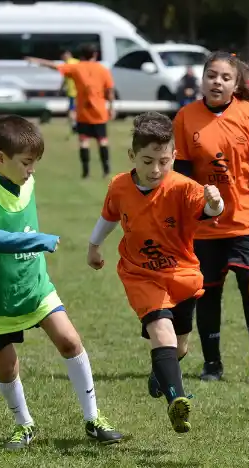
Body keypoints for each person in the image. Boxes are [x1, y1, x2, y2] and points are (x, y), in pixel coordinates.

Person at [0, 114, 123, 448]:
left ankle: (93, 418)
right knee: (7, 368)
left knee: (70, 341)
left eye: (35, 162)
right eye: (26, 163)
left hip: (34, 285)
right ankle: (24, 425)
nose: (32, 170)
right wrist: (34, 241)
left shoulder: (27, 180)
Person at [87, 112, 224, 433]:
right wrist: (94, 246)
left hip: (182, 275)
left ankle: (162, 374)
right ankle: (177, 400)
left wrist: (215, 201)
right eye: (147, 161)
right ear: (132, 156)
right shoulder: (120, 186)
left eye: (164, 161)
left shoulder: (184, 187)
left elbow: (210, 210)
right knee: (161, 330)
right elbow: (109, 216)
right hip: (140, 275)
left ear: (174, 156)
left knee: (180, 347)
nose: (156, 170)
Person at [172, 51, 249, 384]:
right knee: (207, 293)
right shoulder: (186, 117)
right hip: (205, 225)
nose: (217, 82)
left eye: (225, 77)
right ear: (202, 78)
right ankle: (212, 364)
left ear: (236, 84)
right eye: (211, 75)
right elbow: (181, 174)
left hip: (246, 218)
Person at [27, 45, 115, 179]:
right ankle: (106, 170)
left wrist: (37, 60)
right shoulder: (103, 70)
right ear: (95, 55)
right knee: (102, 141)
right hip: (99, 112)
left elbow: (55, 66)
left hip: (83, 111)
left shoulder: (76, 67)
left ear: (81, 56)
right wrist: (111, 107)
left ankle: (86, 172)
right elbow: (109, 91)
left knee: (83, 141)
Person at [60, 50, 80, 136]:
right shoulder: (78, 62)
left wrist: (60, 88)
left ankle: (75, 126)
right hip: (80, 91)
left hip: (72, 91)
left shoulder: (67, 65)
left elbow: (64, 79)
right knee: (76, 110)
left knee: (72, 111)